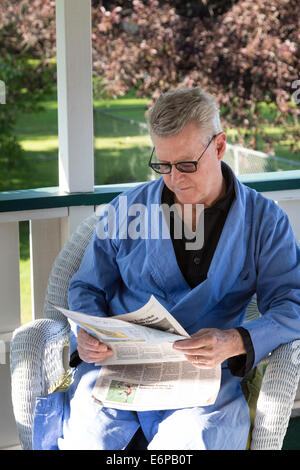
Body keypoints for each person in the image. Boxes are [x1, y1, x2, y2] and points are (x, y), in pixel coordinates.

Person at [33, 87, 300, 450]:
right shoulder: (126, 210)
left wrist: (235, 340)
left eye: (187, 165)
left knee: (195, 441)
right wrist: (89, 333)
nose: (174, 179)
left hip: (204, 380)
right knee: (89, 438)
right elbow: (86, 287)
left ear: (219, 147)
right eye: (163, 165)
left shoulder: (265, 222)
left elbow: (292, 304)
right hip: (118, 370)